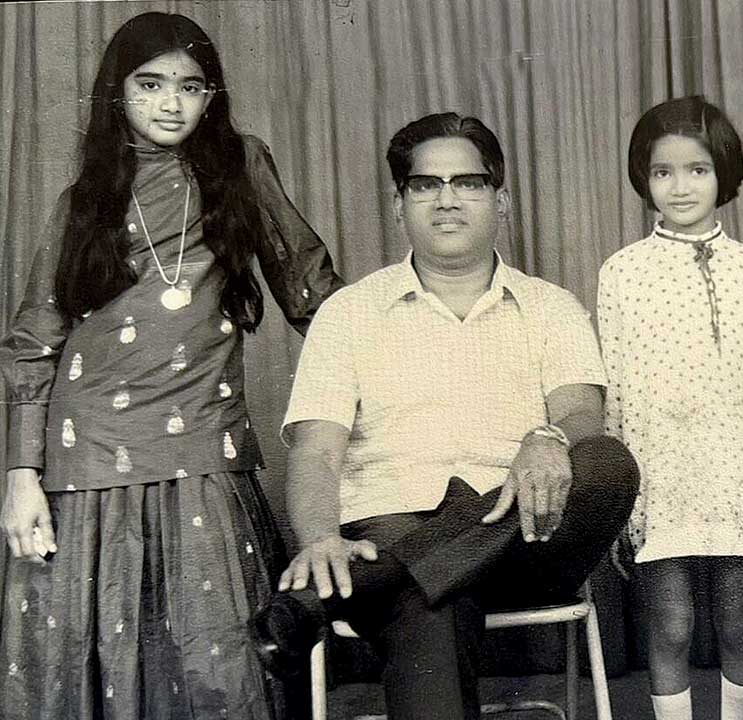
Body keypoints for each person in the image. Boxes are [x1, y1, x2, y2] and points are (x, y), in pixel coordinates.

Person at [0, 12, 342, 720]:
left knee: (217, 659)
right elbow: (34, 341)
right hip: (86, 460)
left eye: (189, 87)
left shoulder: (241, 168)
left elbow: (312, 290)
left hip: (201, 448)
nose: (169, 103)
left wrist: (404, 350)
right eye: (150, 85)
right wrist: (20, 477)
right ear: (116, 94)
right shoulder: (83, 202)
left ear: (211, 97)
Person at [252, 112, 639, 720]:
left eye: (469, 182)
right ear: (399, 203)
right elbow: (317, 451)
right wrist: (323, 537)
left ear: (501, 199)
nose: (447, 199)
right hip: (386, 530)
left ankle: (365, 585)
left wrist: (545, 436)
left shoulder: (551, 307)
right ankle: (401, 574)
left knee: (608, 462)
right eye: (426, 185)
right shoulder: (348, 313)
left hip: (526, 539)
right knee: (431, 600)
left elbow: (582, 416)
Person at [597, 95, 743, 720]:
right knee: (671, 624)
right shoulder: (622, 272)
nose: (679, 187)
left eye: (697, 170)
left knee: (740, 621)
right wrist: (621, 493)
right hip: (661, 475)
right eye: (663, 172)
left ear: (724, 175)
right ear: (644, 179)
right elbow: (617, 392)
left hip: (738, 471)